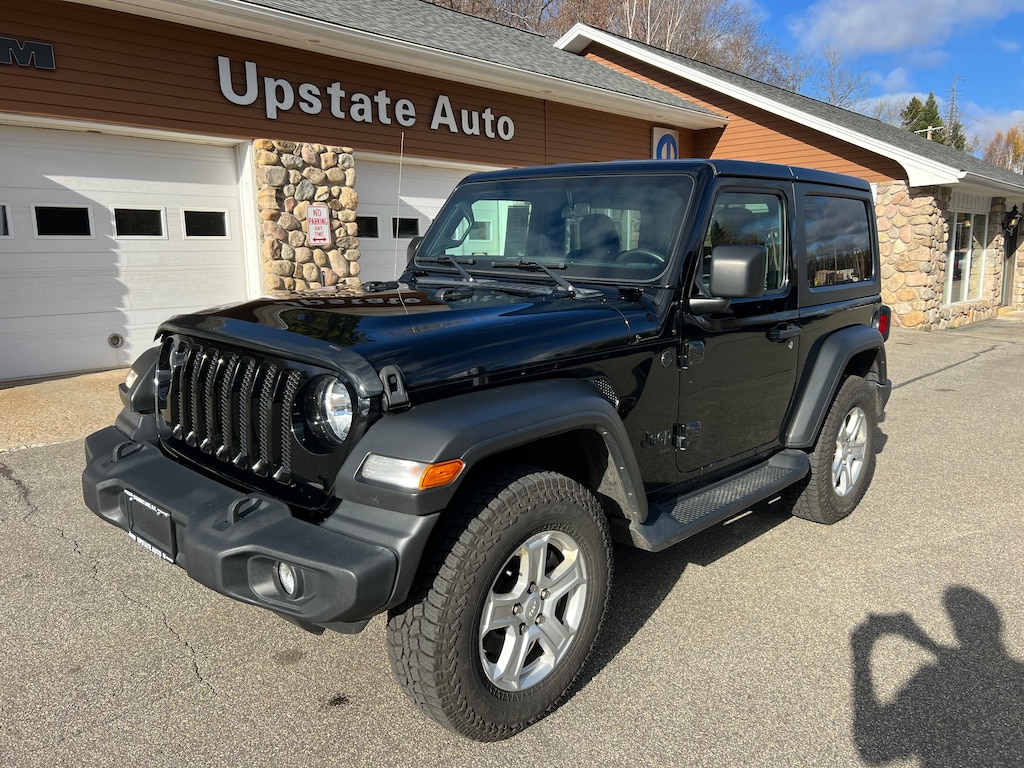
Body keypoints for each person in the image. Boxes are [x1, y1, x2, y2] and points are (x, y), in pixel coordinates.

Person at [851, 586, 1024, 767]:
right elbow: (966, 662)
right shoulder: (1018, 675)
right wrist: (921, 638)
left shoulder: (933, 679)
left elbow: (872, 748)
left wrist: (862, 650)